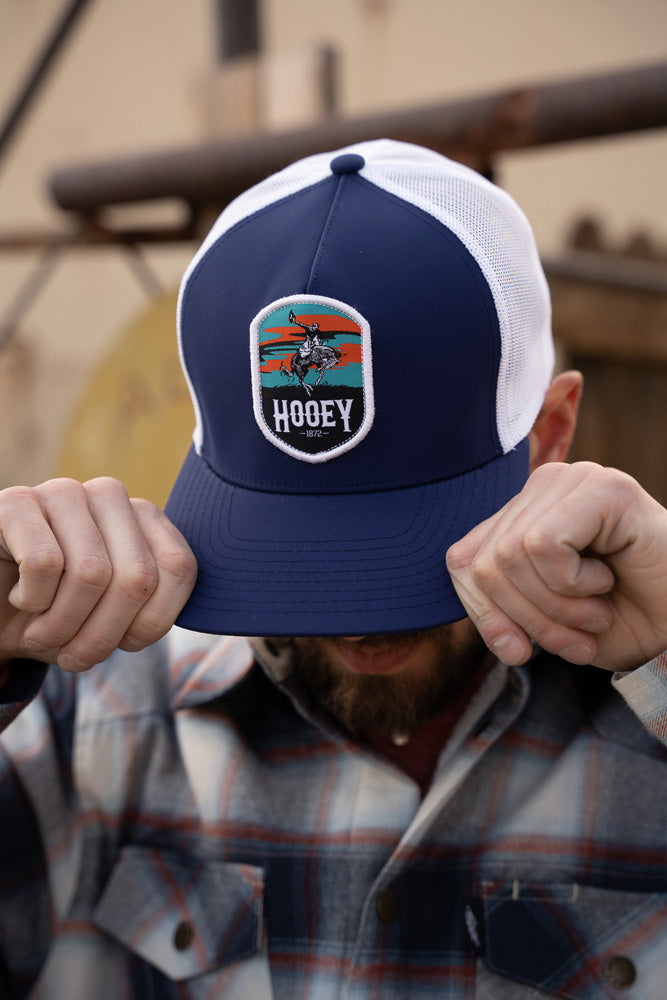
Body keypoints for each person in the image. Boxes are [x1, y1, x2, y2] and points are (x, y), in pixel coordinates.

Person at [0, 140, 666, 1000]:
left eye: (406, 536)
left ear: (549, 434)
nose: (354, 618)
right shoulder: (100, 719)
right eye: (293, 541)